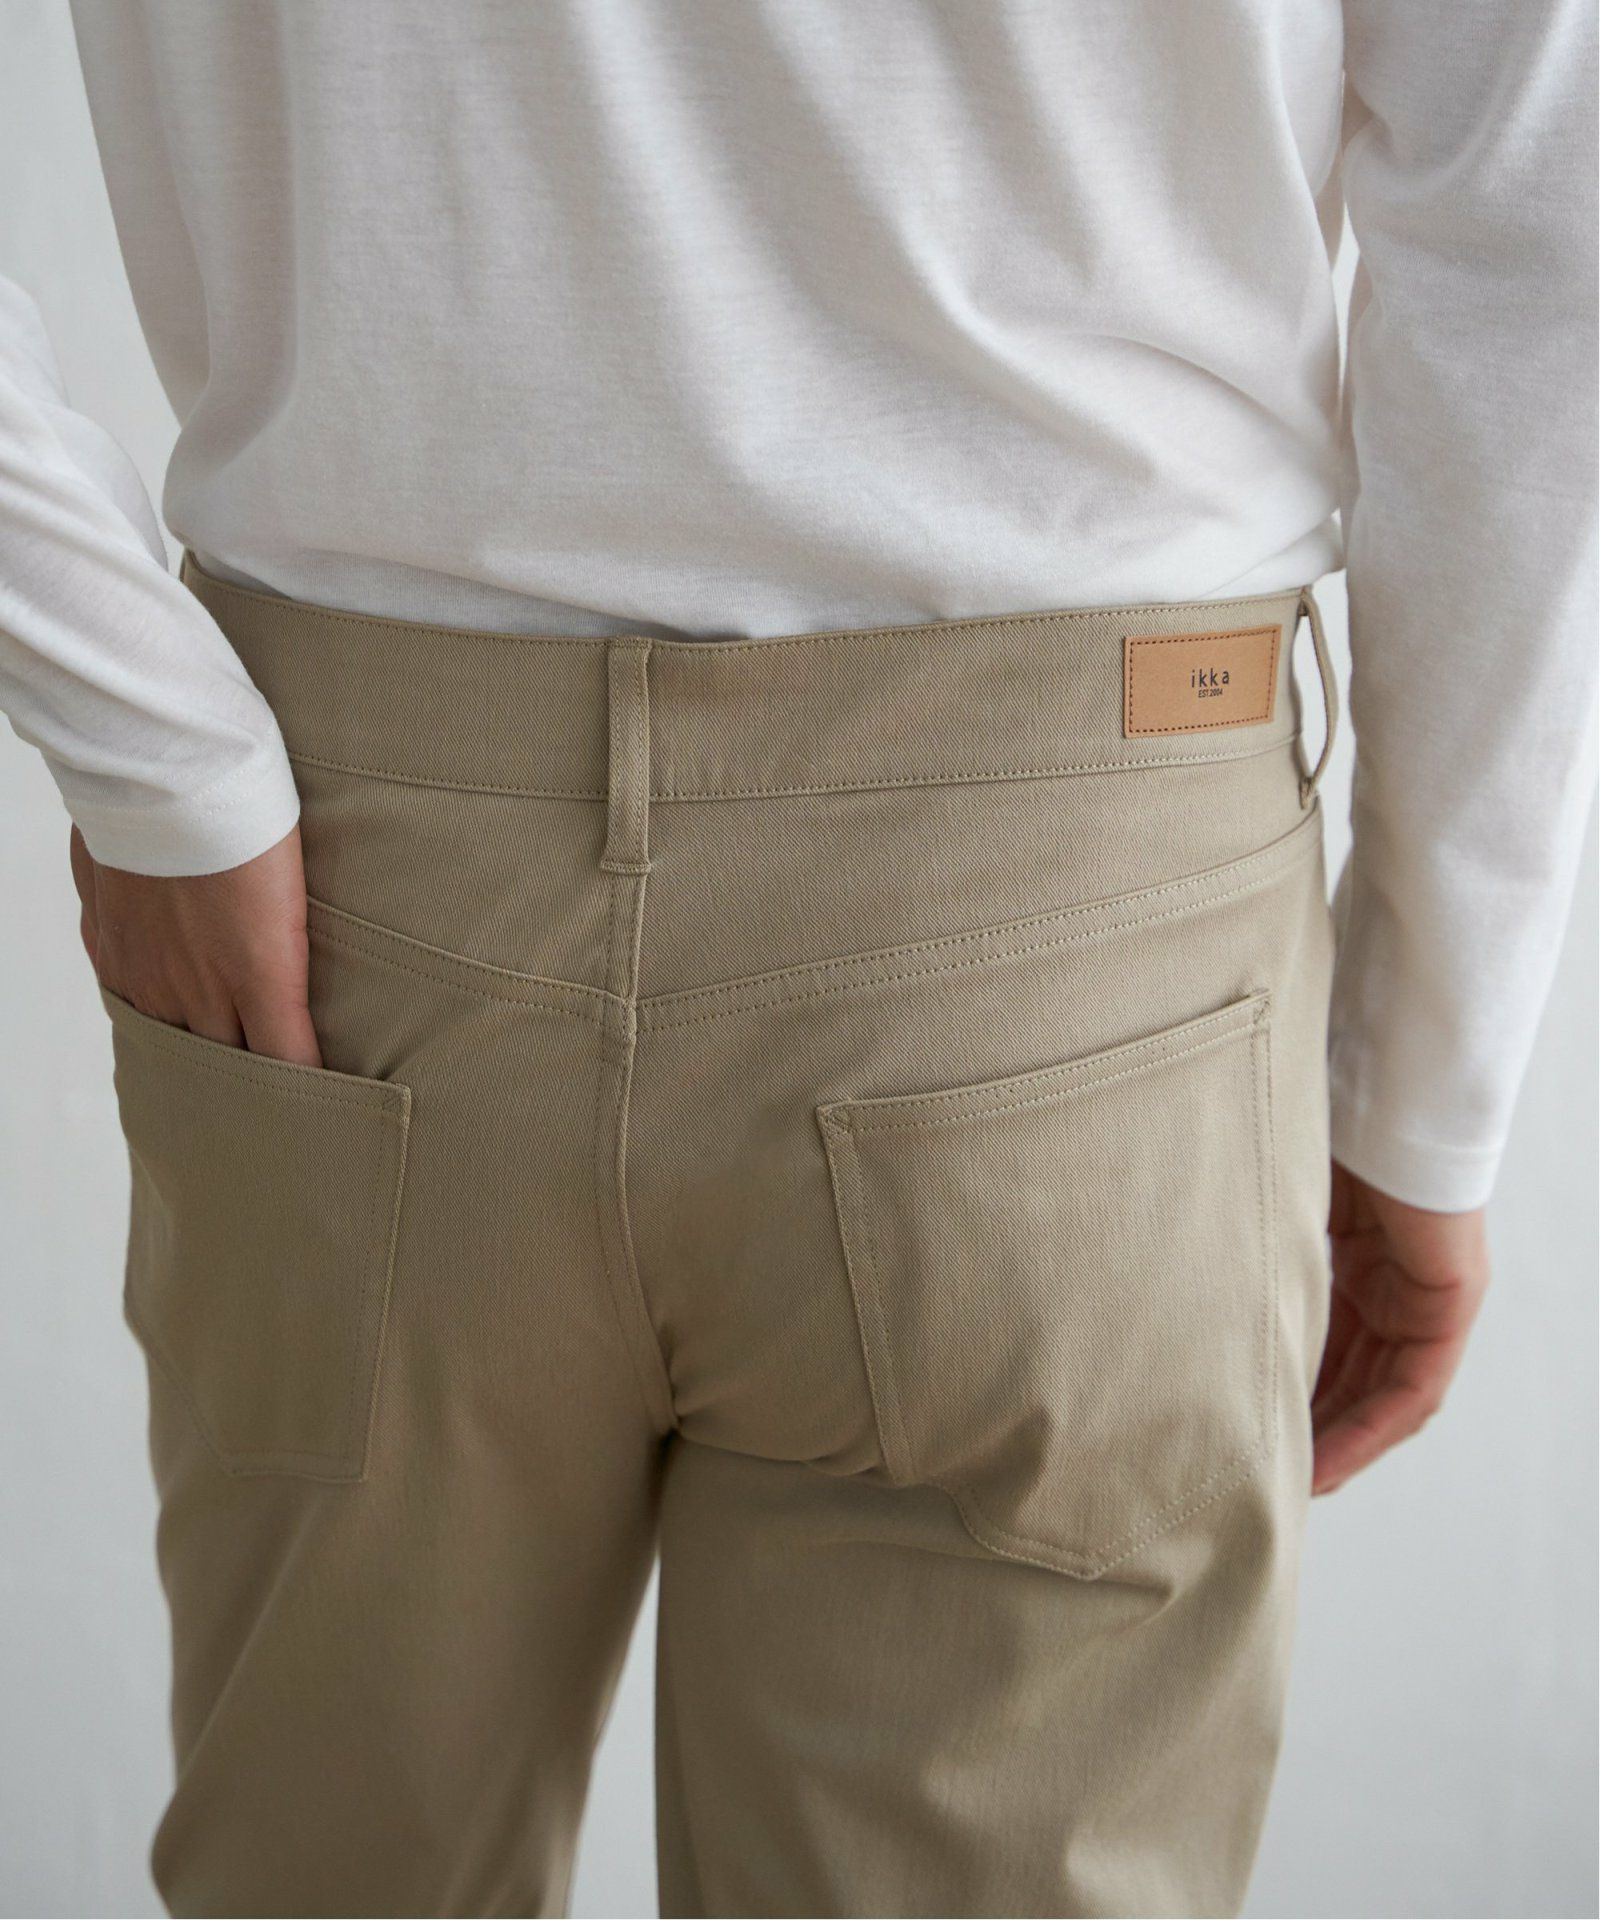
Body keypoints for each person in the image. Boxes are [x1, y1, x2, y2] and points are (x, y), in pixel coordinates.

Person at [1, 4, 1593, 1915]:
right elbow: (1530, 215)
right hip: (1075, 944)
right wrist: (1423, 1081)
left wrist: (147, 747)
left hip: (363, 915)